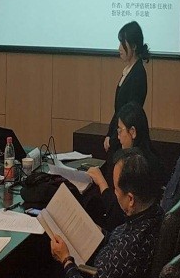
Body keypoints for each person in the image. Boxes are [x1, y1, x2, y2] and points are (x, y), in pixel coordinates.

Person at [51, 149, 163, 278]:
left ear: (131, 199)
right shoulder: (155, 213)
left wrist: (66, 260)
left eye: (116, 189)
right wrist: (101, 233)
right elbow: (121, 236)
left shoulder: (126, 251)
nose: (114, 193)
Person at [88, 103, 166, 231]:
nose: (118, 137)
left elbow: (118, 215)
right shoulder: (151, 156)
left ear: (133, 132)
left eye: (120, 130)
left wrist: (102, 183)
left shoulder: (138, 166)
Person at [104, 21, 150, 156]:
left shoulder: (138, 73)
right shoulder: (129, 70)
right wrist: (109, 134)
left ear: (134, 46)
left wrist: (114, 138)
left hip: (128, 140)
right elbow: (118, 110)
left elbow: (130, 113)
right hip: (119, 135)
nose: (119, 48)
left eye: (122, 43)